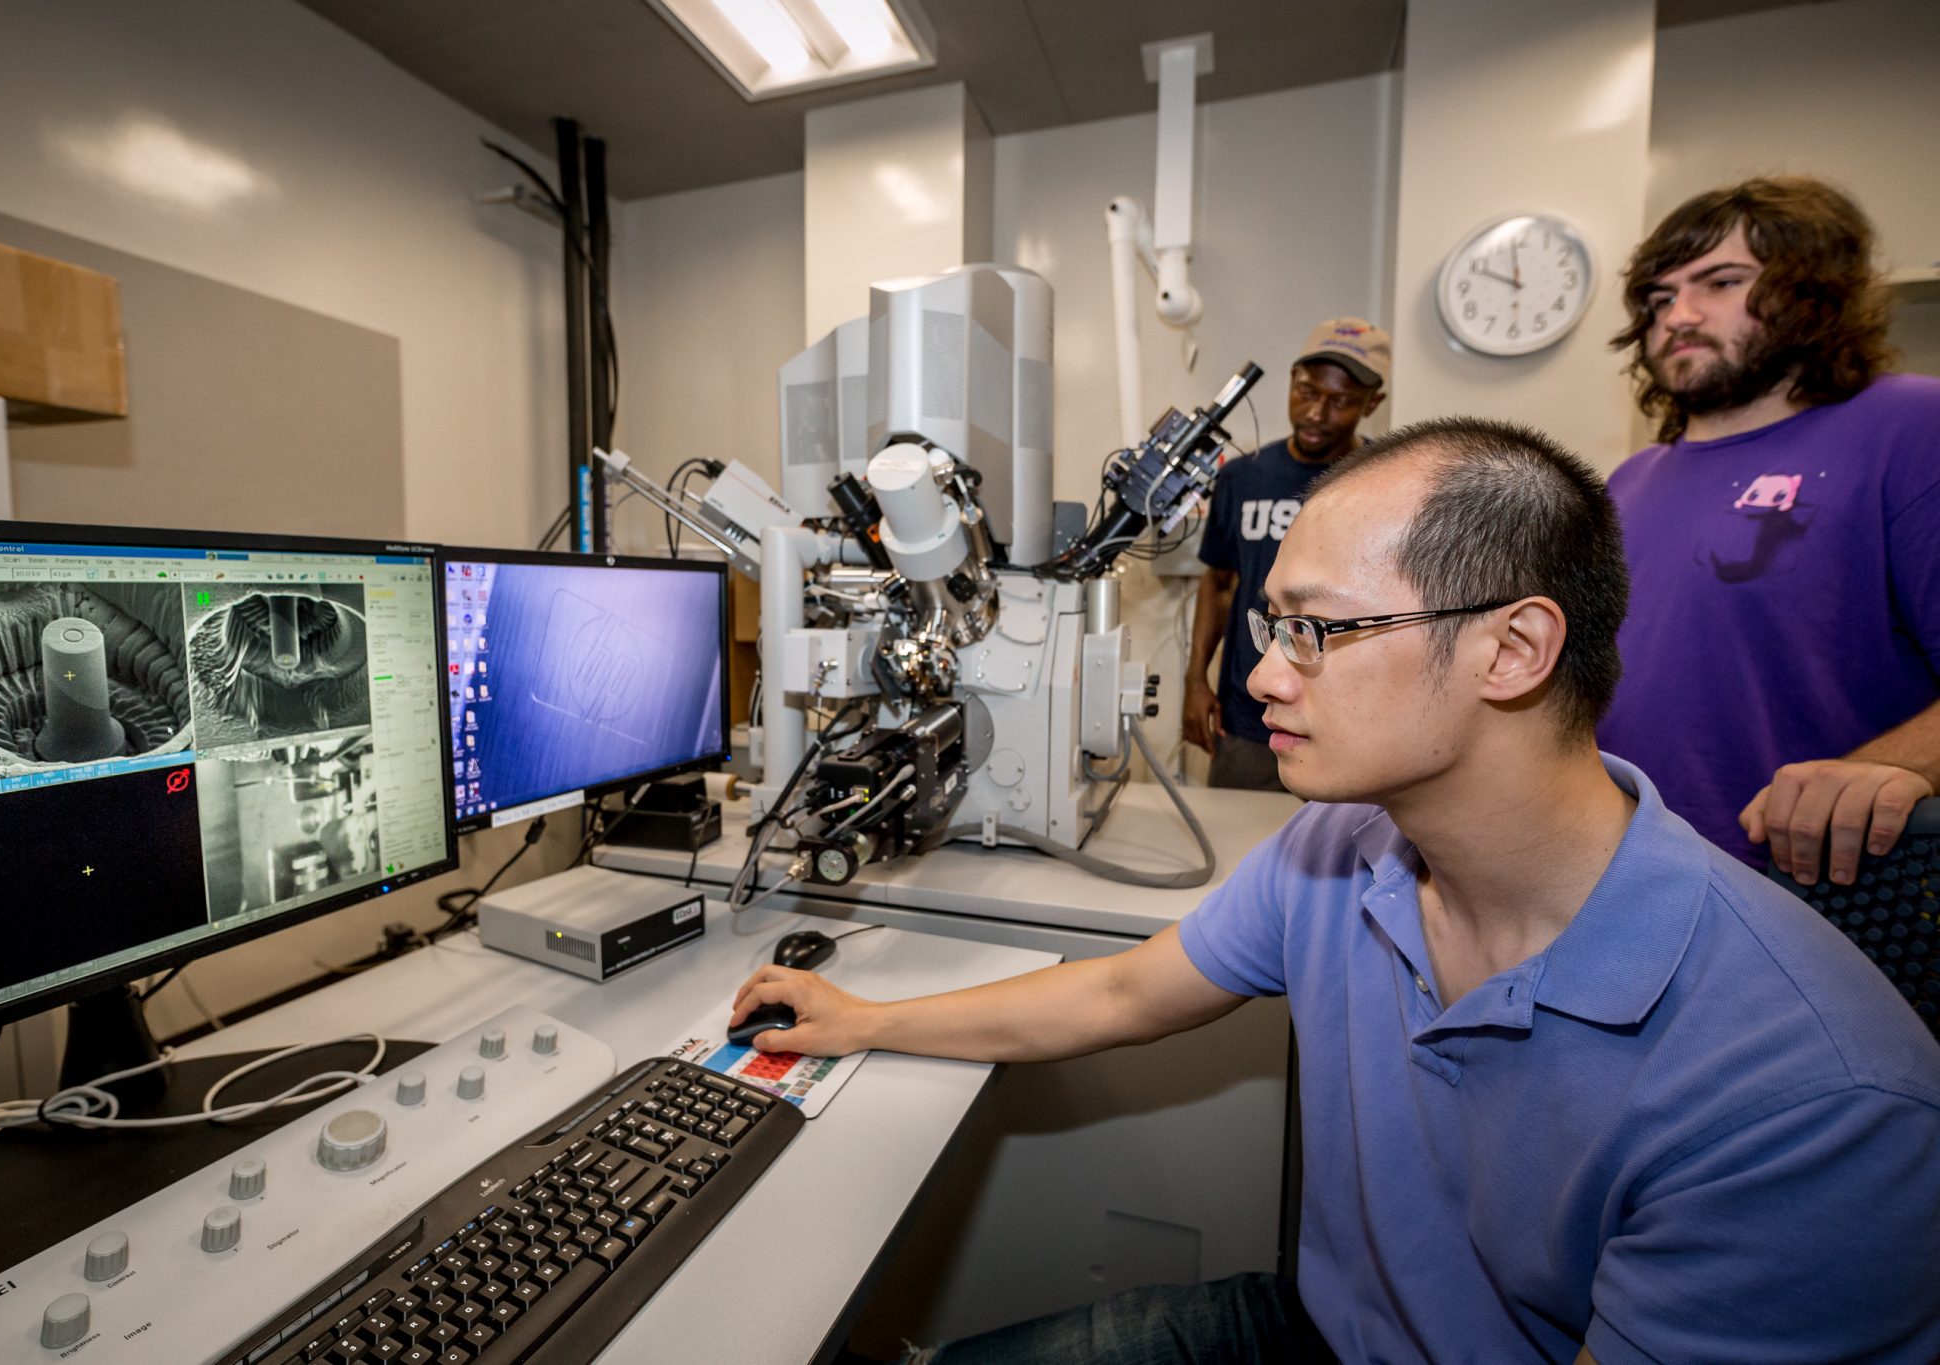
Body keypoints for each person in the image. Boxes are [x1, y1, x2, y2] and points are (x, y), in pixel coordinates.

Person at [734, 418, 1940, 1364]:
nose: (1262, 676)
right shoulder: (1337, 852)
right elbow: (1120, 994)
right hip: (1318, 1333)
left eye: (1314, 631)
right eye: (1271, 626)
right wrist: (865, 1022)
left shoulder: (1810, 1103)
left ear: (1511, 651)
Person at [1598, 176, 1940, 885]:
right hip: (1626, 882)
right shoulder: (1629, 480)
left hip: (1821, 894)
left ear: (1811, 292)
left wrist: (1893, 765)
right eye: (1659, 299)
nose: (1679, 314)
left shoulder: (1910, 425)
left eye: (1721, 282)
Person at [1183, 318, 1388, 791]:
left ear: (1371, 404)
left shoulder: (1385, 481)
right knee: (1232, 831)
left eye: (1340, 401)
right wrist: (1195, 681)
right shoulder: (1242, 477)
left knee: (1344, 839)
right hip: (1250, 716)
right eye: (1306, 391)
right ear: (1292, 381)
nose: (1316, 412)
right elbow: (1219, 584)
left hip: (1348, 724)